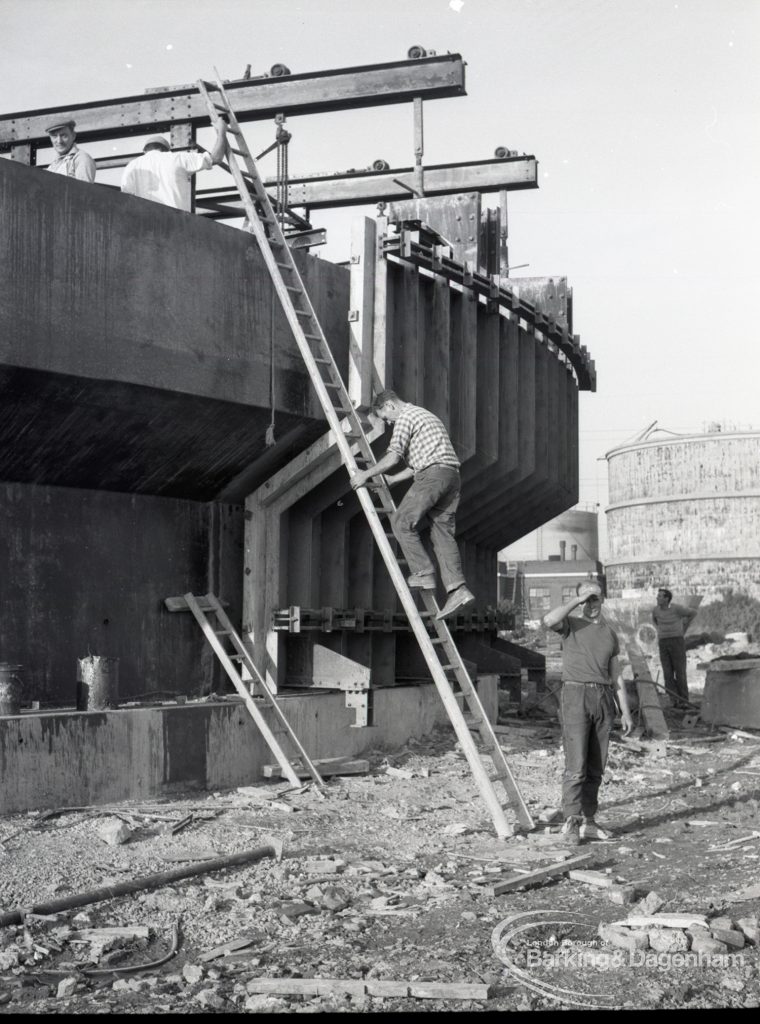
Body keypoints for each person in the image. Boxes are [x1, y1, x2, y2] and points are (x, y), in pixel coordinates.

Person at [350, 389, 475, 620]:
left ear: (389, 405)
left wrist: (365, 474)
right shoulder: (425, 415)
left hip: (433, 475)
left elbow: (394, 456)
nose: (388, 423)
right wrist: (393, 479)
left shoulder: (405, 417)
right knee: (442, 534)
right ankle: (458, 590)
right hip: (450, 476)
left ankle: (424, 572)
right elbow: (418, 462)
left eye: (386, 418)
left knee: (400, 521)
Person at [543, 580, 634, 845]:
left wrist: (625, 712)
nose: (592, 604)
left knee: (596, 766)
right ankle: (572, 821)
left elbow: (616, 675)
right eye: (587, 600)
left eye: (596, 598)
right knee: (576, 765)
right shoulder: (571, 625)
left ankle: (589, 821)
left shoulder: (609, 633)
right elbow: (549, 620)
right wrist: (577, 599)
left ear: (603, 599)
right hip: (575, 695)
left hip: (603, 697)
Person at [120, 124, 228, 212]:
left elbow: (125, 197)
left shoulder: (132, 166)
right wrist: (222, 131)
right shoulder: (176, 158)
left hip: (144, 223)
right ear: (167, 150)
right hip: (176, 220)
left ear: (145, 151)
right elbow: (216, 158)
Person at [652, 587, 697, 708]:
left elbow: (693, 613)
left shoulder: (677, 609)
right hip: (663, 642)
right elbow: (655, 621)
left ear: (667, 599)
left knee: (680, 672)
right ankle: (673, 700)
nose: (657, 598)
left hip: (677, 641)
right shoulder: (656, 610)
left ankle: (684, 700)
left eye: (660, 596)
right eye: (658, 596)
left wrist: (684, 624)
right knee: (667, 673)